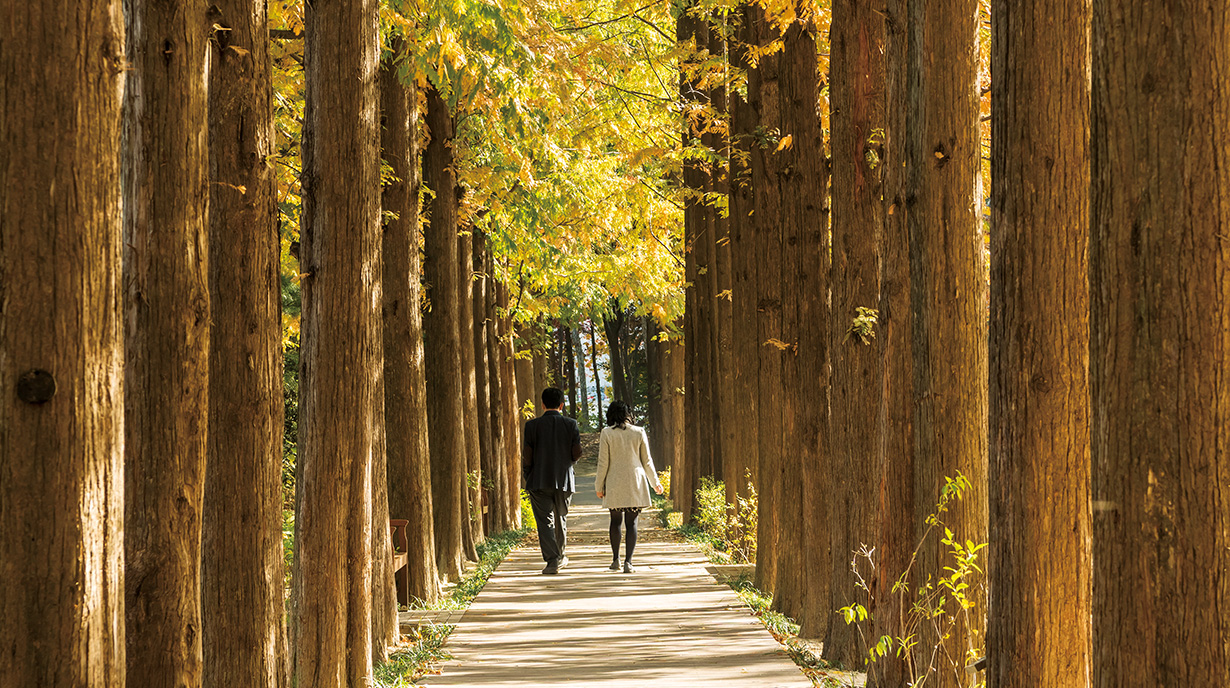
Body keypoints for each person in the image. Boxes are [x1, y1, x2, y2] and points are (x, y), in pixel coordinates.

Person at [594, 401, 663, 573]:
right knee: (632, 523)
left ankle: (615, 560)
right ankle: (629, 562)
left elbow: (603, 462)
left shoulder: (607, 433)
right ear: (628, 414)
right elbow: (647, 461)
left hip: (614, 481)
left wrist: (599, 485)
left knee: (615, 521)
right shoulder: (638, 432)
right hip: (635, 481)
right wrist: (655, 483)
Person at [522, 387, 582, 575]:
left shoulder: (532, 426)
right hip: (564, 479)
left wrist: (528, 475)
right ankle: (561, 555)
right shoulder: (571, 424)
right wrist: (569, 464)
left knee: (544, 522)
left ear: (542, 404)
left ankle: (552, 560)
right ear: (561, 405)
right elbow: (577, 452)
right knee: (560, 517)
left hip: (539, 479)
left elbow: (527, 456)